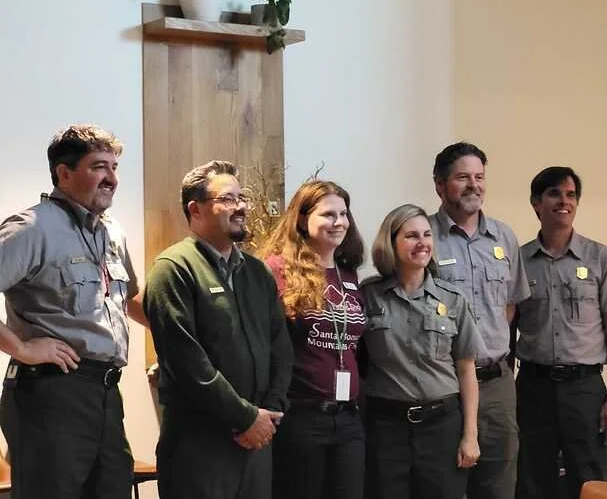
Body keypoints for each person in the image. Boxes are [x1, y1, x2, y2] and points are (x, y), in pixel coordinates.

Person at [0, 124, 146, 499]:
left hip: (105, 393)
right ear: (64, 173)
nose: (111, 178)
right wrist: (21, 347)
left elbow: (131, 298)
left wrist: (191, 330)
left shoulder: (112, 232)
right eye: (99, 166)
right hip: (51, 390)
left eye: (114, 167)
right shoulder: (32, 228)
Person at [142, 160, 293, 499]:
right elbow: (188, 364)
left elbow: (281, 348)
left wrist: (269, 415)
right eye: (227, 199)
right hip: (200, 442)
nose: (240, 207)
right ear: (195, 209)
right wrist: (244, 417)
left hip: (257, 439)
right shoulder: (173, 268)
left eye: (242, 198)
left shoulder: (257, 272)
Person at [514, 166, 607, 499]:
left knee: (591, 479)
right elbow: (507, 332)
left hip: (584, 389)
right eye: (554, 193)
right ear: (536, 203)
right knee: (532, 478)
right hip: (533, 388)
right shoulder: (518, 261)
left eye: (571, 195)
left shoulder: (600, 258)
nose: (564, 201)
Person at [428, 142, 530, 499]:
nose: (474, 185)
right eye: (462, 177)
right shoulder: (423, 238)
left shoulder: (504, 237)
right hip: (444, 385)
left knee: (499, 484)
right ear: (440, 184)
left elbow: (509, 308)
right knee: (445, 485)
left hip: (497, 385)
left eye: (479, 177)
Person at [361, 204, 483, 499]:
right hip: (386, 427)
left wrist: (470, 435)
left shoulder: (453, 299)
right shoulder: (368, 295)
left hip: (441, 426)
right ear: (391, 243)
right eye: (411, 235)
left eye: (427, 235)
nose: (422, 243)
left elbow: (467, 371)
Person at [261, 180, 366, 499]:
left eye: (343, 214)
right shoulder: (277, 270)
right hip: (301, 415)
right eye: (328, 214)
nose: (339, 222)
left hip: (348, 417)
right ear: (302, 219)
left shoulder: (348, 275)